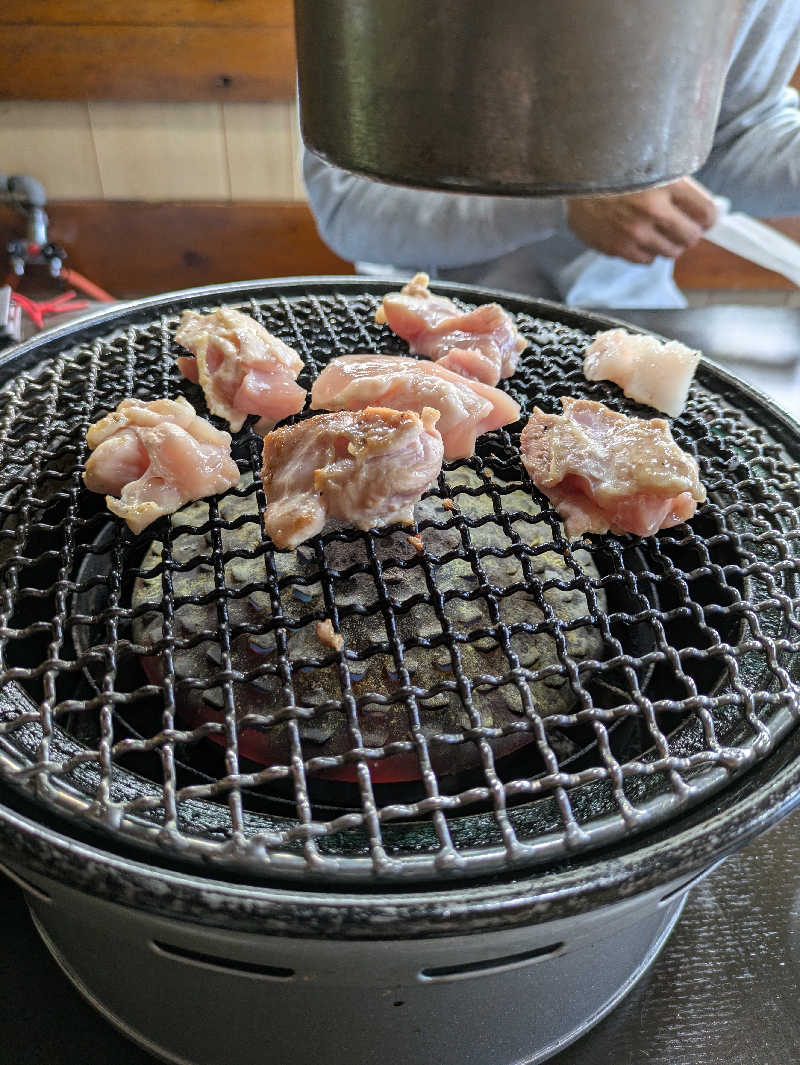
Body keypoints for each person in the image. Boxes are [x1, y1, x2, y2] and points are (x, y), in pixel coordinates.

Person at [303, 0, 800, 309]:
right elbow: (348, 208)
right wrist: (565, 200)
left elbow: (735, 130)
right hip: (428, 311)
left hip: (621, 316)